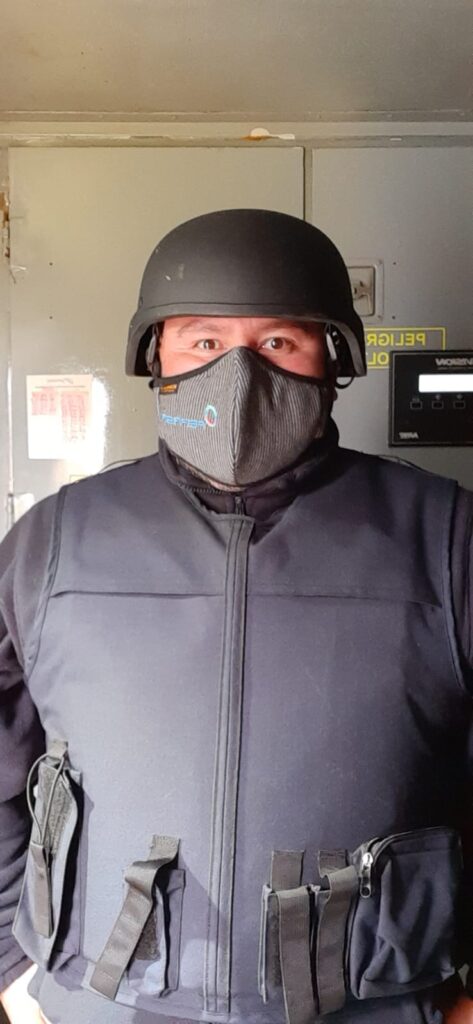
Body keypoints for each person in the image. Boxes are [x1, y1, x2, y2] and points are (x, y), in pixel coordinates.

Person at [0, 208, 472, 1024]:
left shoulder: (442, 534)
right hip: (103, 1002)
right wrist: (12, 962)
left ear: (334, 358)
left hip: (379, 1006)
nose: (239, 377)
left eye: (278, 341)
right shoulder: (57, 539)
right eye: (204, 342)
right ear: (156, 356)